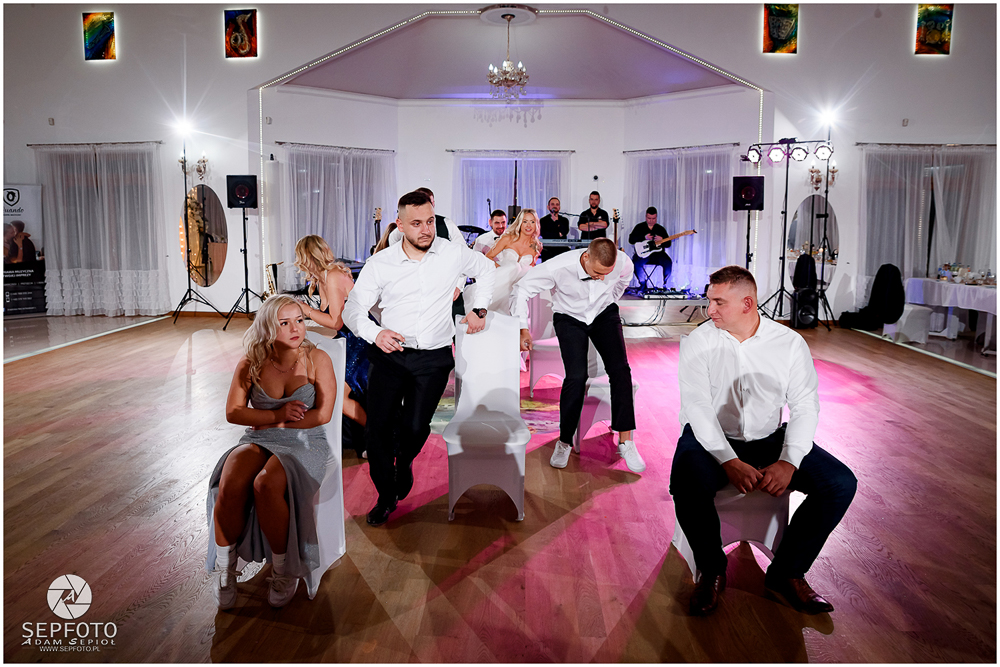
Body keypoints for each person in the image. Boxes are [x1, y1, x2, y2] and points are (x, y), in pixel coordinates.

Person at [671, 265, 857, 617]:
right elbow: (697, 407)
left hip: (770, 438)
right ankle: (711, 570)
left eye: (719, 302)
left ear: (747, 303)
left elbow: (805, 406)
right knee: (686, 479)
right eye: (710, 301)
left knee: (840, 483)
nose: (709, 310)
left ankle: (788, 572)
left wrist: (789, 461)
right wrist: (728, 460)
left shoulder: (789, 343)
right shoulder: (700, 341)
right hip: (712, 438)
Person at [343, 190, 497, 527]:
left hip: (433, 358)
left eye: (429, 222)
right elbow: (352, 308)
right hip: (389, 354)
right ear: (400, 225)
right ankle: (386, 496)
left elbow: (487, 270)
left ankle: (404, 460)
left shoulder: (452, 253)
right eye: (416, 224)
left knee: (415, 427)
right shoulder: (380, 263)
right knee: (377, 430)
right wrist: (375, 333)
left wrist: (479, 308)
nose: (426, 230)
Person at [206, 296, 336, 610]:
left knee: (265, 484)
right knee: (231, 480)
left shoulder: (317, 358)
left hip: (306, 440)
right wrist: (276, 416)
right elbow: (234, 412)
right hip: (260, 436)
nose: (296, 328)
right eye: (284, 323)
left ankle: (283, 570)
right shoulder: (251, 361)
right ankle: (225, 569)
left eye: (300, 320)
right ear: (267, 327)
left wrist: (275, 422)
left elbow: (322, 415)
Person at [512, 237, 645, 473]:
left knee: (621, 370)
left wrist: (610, 299)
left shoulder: (623, 262)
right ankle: (564, 442)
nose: (601, 278)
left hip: (603, 312)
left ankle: (626, 441)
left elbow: (624, 279)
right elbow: (521, 289)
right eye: (597, 273)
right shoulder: (558, 267)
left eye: (606, 274)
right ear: (586, 258)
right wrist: (523, 328)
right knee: (576, 376)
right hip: (569, 317)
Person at [293, 234, 370, 459]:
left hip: (361, 342)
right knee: (330, 390)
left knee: (339, 397)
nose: (299, 264)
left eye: (300, 258)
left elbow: (337, 321)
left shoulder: (334, 276)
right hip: (348, 340)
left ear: (308, 257)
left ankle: (380, 435)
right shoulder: (322, 279)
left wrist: (307, 311)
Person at [387, 187, 467, 317]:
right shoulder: (400, 231)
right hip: (417, 293)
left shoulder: (446, 224)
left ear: (433, 204)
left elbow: (463, 257)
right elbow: (394, 247)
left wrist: (458, 285)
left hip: (448, 290)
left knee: (455, 325)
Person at [466, 208, 541, 315]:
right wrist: (501, 270)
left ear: (536, 224)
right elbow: (488, 257)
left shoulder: (536, 246)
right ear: (520, 223)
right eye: (525, 221)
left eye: (532, 222)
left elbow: (531, 268)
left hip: (518, 290)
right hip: (499, 284)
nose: (528, 225)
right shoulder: (507, 238)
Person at [628, 207, 673, 290]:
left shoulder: (660, 229)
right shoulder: (639, 227)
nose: (651, 221)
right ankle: (642, 283)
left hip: (658, 255)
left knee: (668, 262)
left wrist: (662, 240)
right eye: (649, 218)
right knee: (635, 263)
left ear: (656, 217)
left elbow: (668, 244)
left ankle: (664, 284)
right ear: (646, 217)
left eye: (653, 218)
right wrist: (643, 237)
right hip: (643, 254)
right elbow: (631, 240)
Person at [539, 197, 571, 262]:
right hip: (548, 248)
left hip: (562, 248)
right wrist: (558, 234)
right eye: (552, 204)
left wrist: (556, 221)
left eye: (557, 204)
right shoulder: (543, 220)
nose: (555, 206)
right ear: (548, 207)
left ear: (559, 207)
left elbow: (564, 232)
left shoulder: (564, 220)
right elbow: (544, 234)